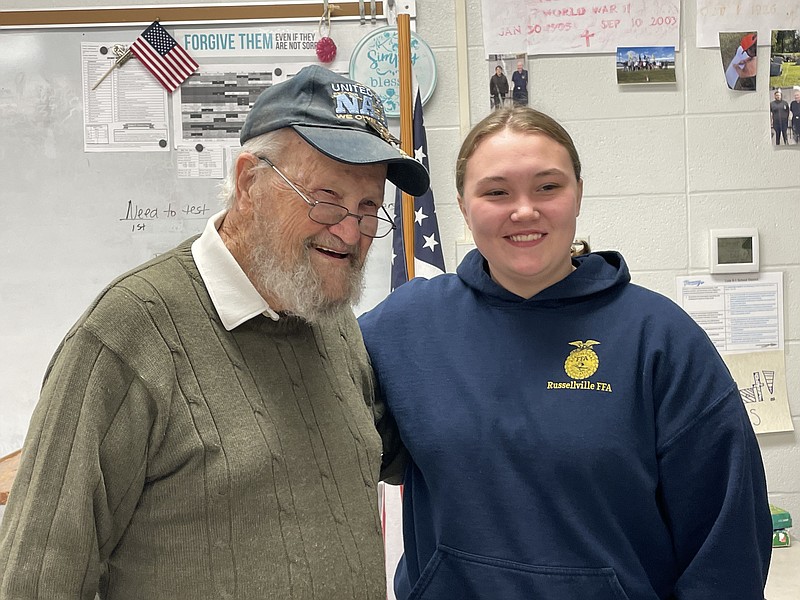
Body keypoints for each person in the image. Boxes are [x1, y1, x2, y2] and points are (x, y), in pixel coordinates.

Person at [0, 65, 429, 599]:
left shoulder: (332, 321)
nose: (350, 231)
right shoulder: (126, 337)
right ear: (250, 183)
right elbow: (34, 580)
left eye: (368, 209)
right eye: (326, 197)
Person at [359, 106, 772, 600]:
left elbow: (727, 542)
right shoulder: (407, 324)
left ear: (578, 193)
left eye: (548, 187)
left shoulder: (660, 339)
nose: (525, 210)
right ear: (463, 206)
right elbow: (314, 395)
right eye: (496, 191)